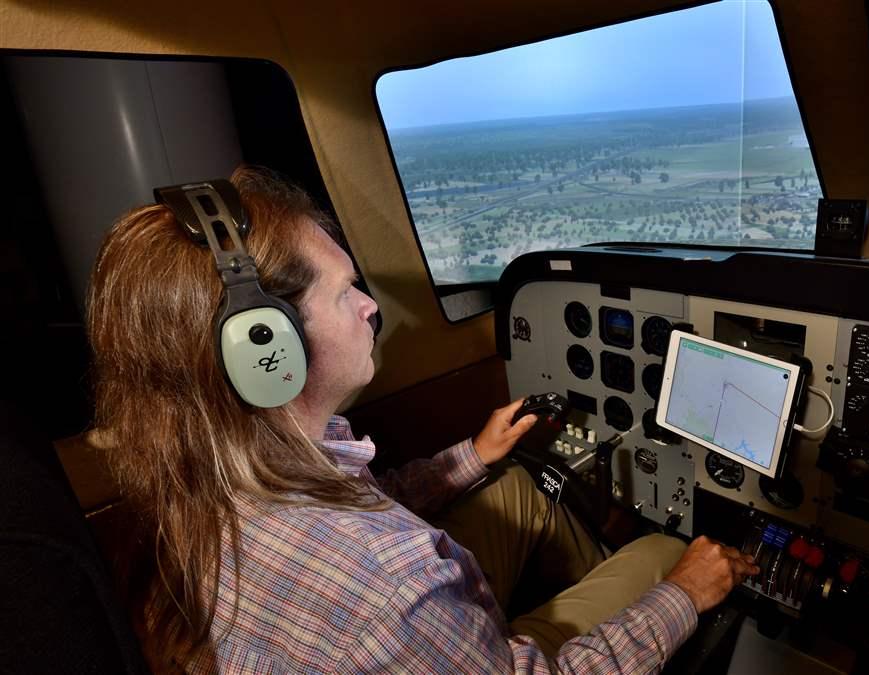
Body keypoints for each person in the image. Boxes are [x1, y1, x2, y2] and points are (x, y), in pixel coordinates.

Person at [86, 166, 759, 672]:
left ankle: (590, 584)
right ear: (265, 345)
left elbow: (362, 499)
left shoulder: (195, 477)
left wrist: (474, 452)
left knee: (519, 488)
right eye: (344, 290)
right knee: (672, 552)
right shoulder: (392, 581)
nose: (369, 307)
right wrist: (678, 593)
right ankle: (623, 591)